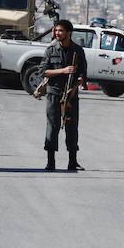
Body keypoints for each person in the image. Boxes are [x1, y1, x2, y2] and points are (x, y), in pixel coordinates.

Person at [38, 19, 87, 171]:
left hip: (71, 94)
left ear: (69, 33)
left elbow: (83, 74)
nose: (57, 33)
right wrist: (63, 70)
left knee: (71, 127)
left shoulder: (77, 51)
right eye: (56, 30)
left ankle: (72, 161)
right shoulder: (51, 50)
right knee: (52, 126)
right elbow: (43, 71)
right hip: (54, 92)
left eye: (61, 31)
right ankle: (50, 162)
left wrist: (78, 82)